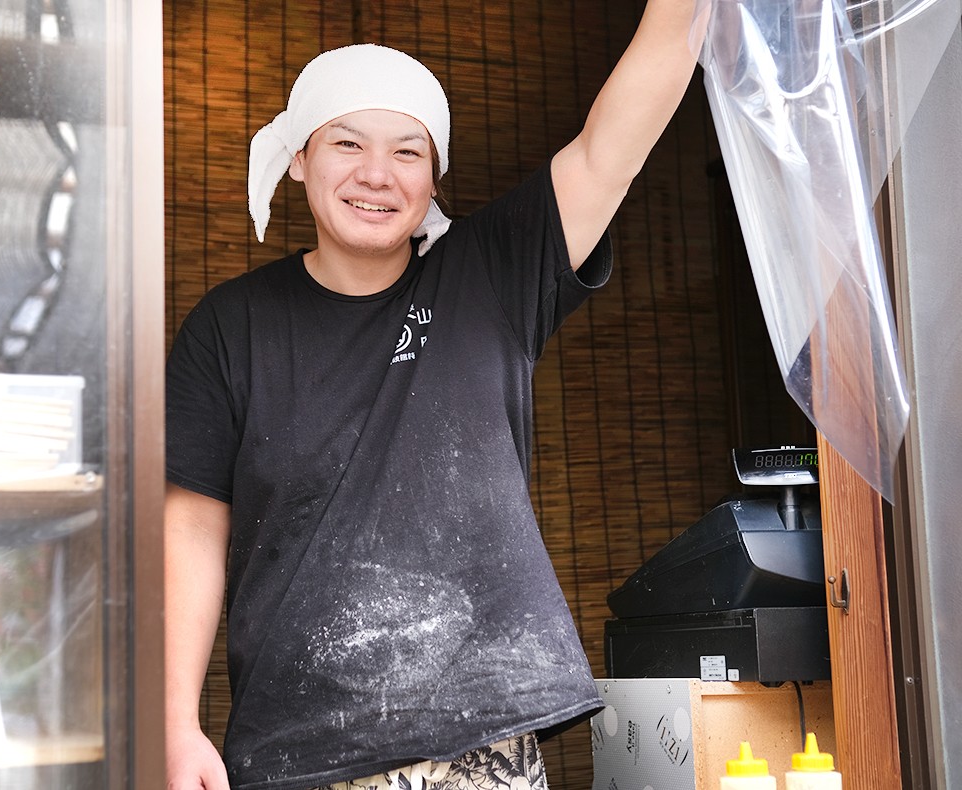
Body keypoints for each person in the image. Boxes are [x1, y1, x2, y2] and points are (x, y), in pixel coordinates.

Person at [164, 3, 707, 788]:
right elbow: (190, 530)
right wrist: (176, 725)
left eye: (406, 151)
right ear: (299, 160)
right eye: (347, 143)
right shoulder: (231, 326)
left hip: (482, 746)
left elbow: (610, 150)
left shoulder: (490, 277)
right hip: (299, 751)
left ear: (433, 173)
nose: (376, 174)